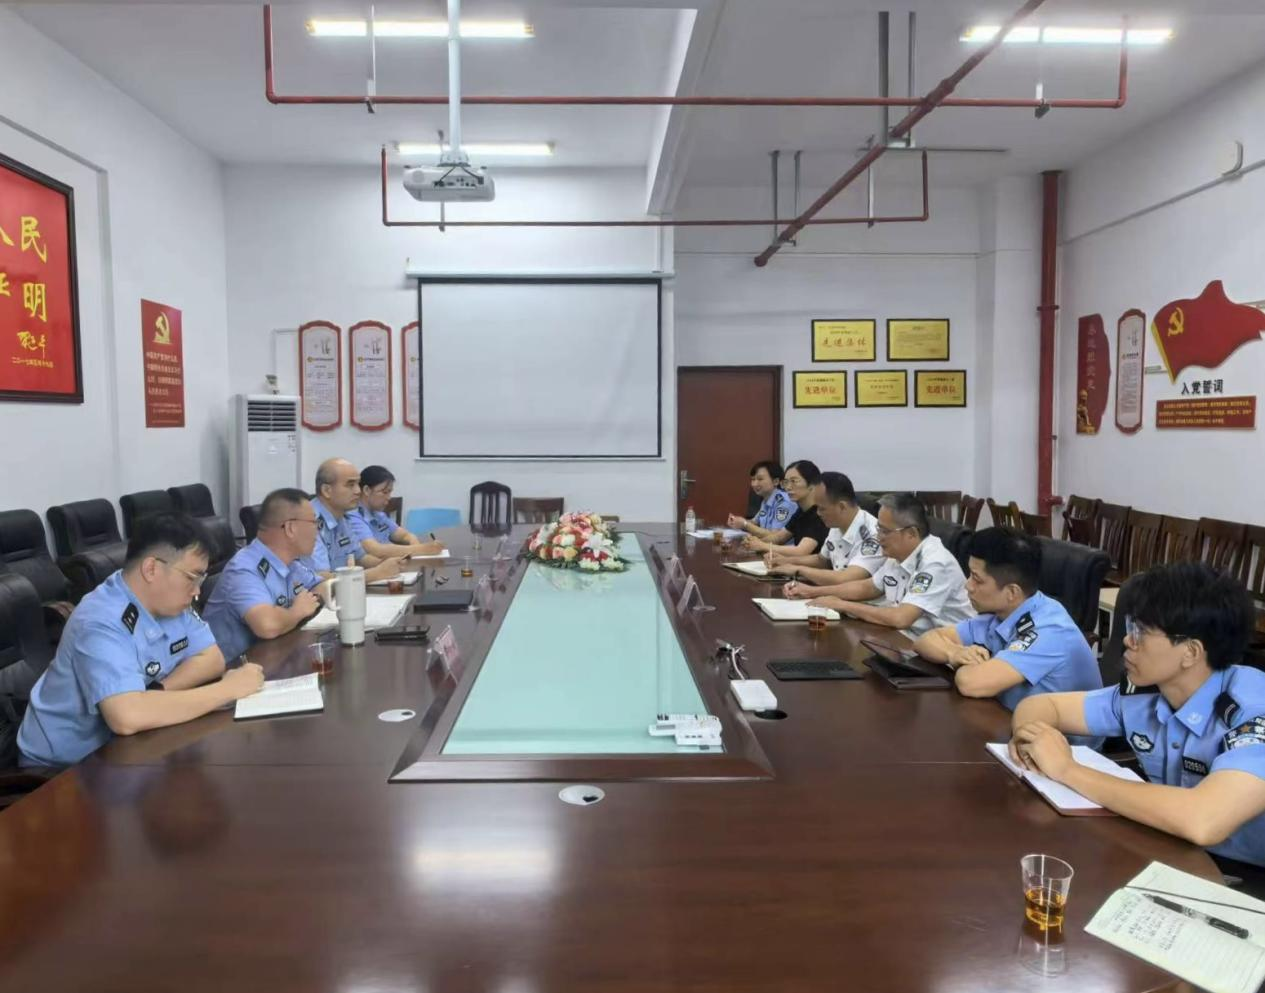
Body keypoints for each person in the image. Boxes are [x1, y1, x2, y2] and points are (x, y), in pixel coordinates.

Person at [1009, 562, 1265, 876]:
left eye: (1141, 632)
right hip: (1170, 846)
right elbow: (1042, 705)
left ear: (1191, 652)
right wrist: (1031, 738)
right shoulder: (1146, 694)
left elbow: (1204, 820)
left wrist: (1065, 769)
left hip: (1246, 876)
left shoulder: (1253, 711)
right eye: (1132, 626)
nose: (1128, 641)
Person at [17, 514, 265, 767]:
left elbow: (211, 659)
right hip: (61, 768)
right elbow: (126, 716)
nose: (197, 591)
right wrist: (227, 690)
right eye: (192, 577)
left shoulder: (169, 601)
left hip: (127, 747)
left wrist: (156, 693)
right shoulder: (100, 620)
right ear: (151, 569)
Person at [913, 527, 1102, 706]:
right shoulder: (1000, 614)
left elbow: (971, 683)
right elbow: (925, 641)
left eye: (977, 579)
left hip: (1056, 730)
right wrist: (954, 653)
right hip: (1007, 718)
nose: (968, 586)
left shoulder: (1050, 629)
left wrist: (963, 664)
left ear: (1012, 592)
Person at [807, 492, 974, 637]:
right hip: (909, 637)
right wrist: (812, 592)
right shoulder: (899, 553)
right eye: (878, 528)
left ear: (911, 533)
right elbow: (869, 587)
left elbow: (901, 618)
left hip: (949, 650)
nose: (878, 537)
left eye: (885, 531)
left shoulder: (935, 563)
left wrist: (842, 605)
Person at [202, 488, 326, 664]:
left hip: (275, 659)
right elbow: (267, 626)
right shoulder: (244, 569)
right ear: (290, 528)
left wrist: (311, 600)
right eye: (314, 523)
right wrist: (296, 612)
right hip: (233, 672)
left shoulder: (290, 563)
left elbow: (320, 586)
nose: (318, 531)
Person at [772, 471, 886, 598]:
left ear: (842, 507)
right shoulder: (837, 524)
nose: (818, 513)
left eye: (822, 508)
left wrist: (799, 570)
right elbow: (822, 560)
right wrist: (786, 561)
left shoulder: (874, 535)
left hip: (862, 603)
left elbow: (846, 578)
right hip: (837, 597)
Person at [302, 458, 401, 583]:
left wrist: (389, 565)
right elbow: (321, 578)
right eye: (350, 485)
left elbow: (360, 558)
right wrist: (377, 573)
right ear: (327, 490)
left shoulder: (342, 516)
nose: (358, 491)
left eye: (358, 484)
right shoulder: (307, 521)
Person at [347, 465, 445, 560]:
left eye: (390, 492)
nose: (389, 497)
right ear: (367, 490)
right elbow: (376, 550)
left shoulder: (378, 514)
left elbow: (405, 535)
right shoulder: (353, 517)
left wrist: (416, 546)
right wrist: (422, 550)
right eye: (385, 492)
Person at [742, 460, 829, 556]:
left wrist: (762, 545)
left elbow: (800, 551)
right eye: (786, 482)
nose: (788, 487)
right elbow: (779, 537)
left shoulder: (820, 513)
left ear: (812, 484)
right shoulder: (801, 511)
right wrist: (753, 542)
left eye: (794, 481)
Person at [728, 461, 797, 536]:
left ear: (776, 481)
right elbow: (754, 522)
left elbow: (776, 536)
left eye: (760, 479)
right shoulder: (766, 499)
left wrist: (745, 524)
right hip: (766, 543)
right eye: (753, 479)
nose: (754, 484)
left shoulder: (784, 502)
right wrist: (737, 521)